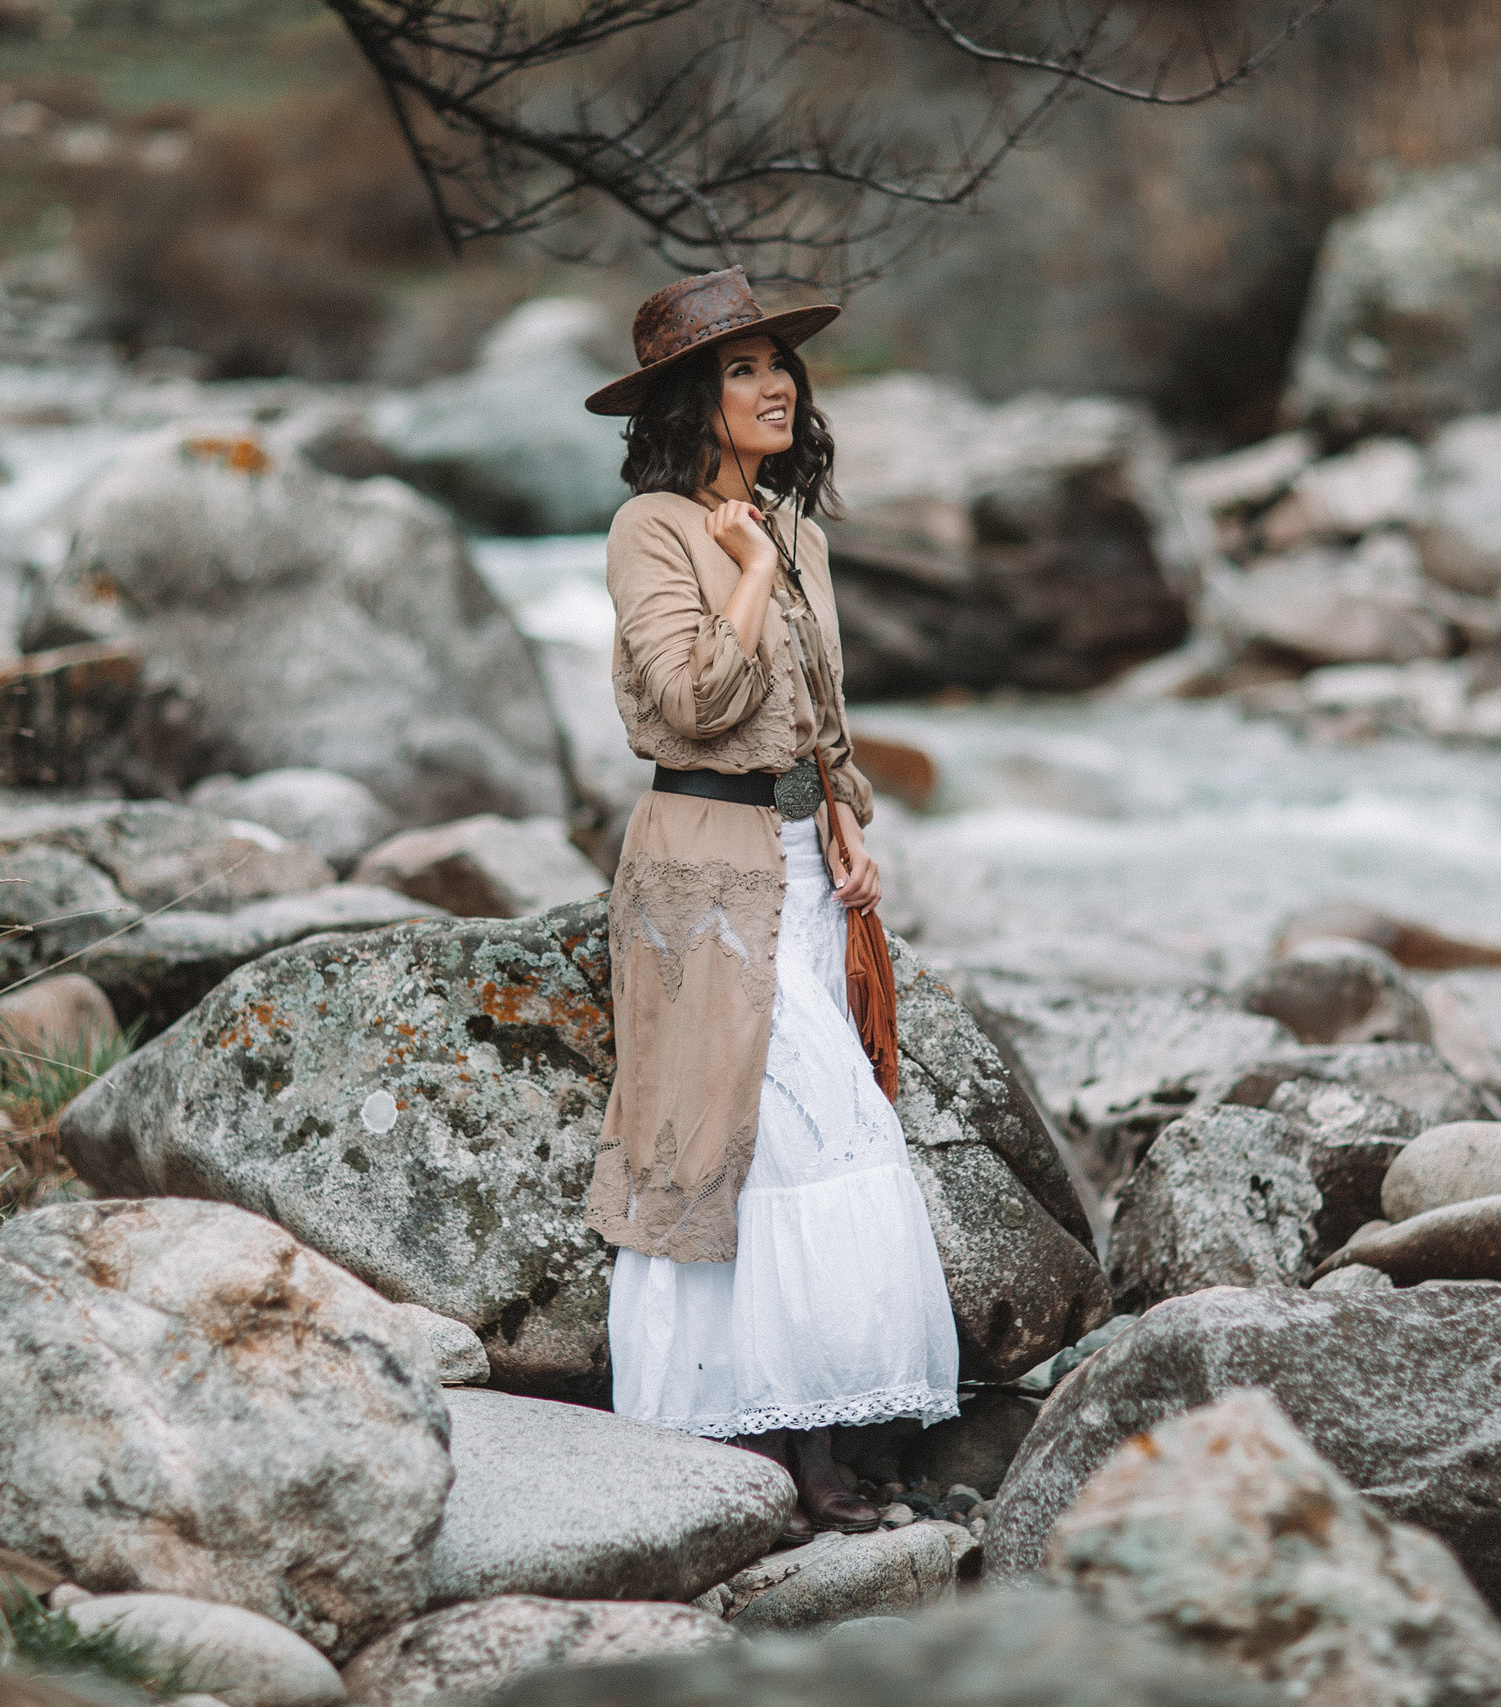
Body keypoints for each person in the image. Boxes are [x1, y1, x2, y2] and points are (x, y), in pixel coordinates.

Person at [582, 268, 959, 1539]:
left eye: (779, 364)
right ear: (693, 397)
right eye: (741, 369)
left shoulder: (799, 529)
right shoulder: (655, 529)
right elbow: (692, 703)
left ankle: (819, 1426)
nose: (775, 385)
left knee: (837, 1133)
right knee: (759, 1137)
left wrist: (849, 819)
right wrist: (741, 567)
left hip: (801, 863)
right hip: (698, 870)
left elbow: (821, 717)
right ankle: (758, 1437)